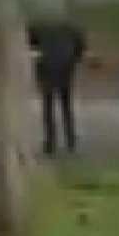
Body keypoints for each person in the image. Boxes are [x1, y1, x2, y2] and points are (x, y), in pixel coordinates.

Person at [29, 16, 87, 156]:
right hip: (65, 68)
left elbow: (30, 43)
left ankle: (50, 142)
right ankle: (70, 139)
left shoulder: (39, 27)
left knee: (48, 106)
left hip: (47, 68)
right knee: (66, 105)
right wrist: (74, 60)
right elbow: (81, 47)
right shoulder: (71, 29)